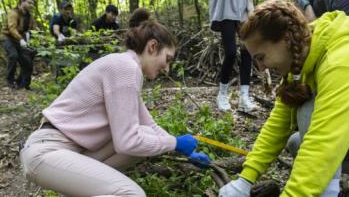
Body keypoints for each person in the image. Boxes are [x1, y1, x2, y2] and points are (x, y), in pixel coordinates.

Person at [219, 0, 349, 197]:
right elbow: (277, 125)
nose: (261, 68)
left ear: (285, 39)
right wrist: (245, 180)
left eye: (261, 57)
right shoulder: (301, 61)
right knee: (297, 142)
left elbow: (323, 143)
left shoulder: (342, 61)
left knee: (311, 108)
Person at [20, 17, 211, 196]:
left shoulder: (125, 67)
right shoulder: (125, 68)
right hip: (47, 152)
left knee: (145, 133)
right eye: (167, 59)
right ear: (152, 46)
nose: (167, 68)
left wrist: (180, 147)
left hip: (68, 151)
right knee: (131, 194)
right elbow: (127, 141)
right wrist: (175, 143)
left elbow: (149, 126)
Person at [1, 0, 37, 90]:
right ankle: (10, 81)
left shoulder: (30, 16)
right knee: (13, 55)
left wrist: (39, 37)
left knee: (27, 60)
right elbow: (12, 28)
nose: (31, 5)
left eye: (32, 3)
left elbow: (34, 29)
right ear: (22, 1)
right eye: (29, 2)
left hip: (21, 40)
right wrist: (21, 39)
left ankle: (23, 84)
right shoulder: (13, 13)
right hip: (8, 38)